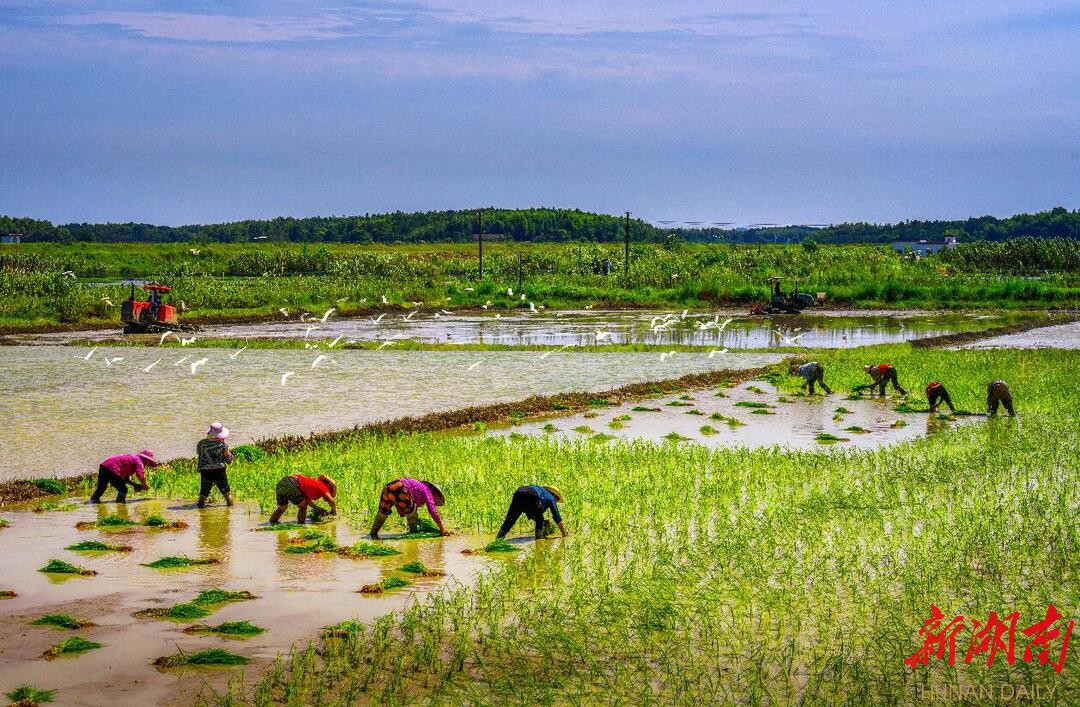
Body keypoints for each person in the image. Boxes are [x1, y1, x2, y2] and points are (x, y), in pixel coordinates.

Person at [369, 478, 450, 538]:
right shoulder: (428, 491)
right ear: (434, 491)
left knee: (382, 513)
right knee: (412, 515)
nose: (436, 499)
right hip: (401, 488)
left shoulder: (420, 487)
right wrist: (442, 528)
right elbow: (432, 510)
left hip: (388, 488)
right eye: (437, 497)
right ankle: (413, 534)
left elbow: (400, 501)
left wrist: (400, 508)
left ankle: (373, 534)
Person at [496, 485, 569, 540]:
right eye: (556, 499)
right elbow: (557, 517)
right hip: (533, 495)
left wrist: (545, 523)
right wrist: (564, 533)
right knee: (539, 520)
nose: (555, 501)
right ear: (554, 495)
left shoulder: (541, 491)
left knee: (509, 521)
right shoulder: (551, 497)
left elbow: (531, 511)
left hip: (518, 492)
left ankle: (497, 540)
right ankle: (539, 540)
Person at [90, 449, 158, 503]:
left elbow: (125, 479)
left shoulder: (132, 459)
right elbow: (140, 475)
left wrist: (134, 485)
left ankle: (93, 502)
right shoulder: (139, 461)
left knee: (101, 488)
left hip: (104, 467)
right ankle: (120, 504)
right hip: (112, 469)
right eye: (148, 461)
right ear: (145, 459)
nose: (148, 464)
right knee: (123, 490)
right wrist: (145, 486)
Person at [269, 473, 337, 524]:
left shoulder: (314, 484)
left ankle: (272, 522)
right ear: (329, 487)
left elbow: (306, 500)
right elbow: (332, 501)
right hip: (292, 483)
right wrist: (334, 512)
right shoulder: (323, 487)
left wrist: (317, 508)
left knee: (282, 508)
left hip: (282, 482)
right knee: (303, 506)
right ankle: (301, 525)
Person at [196, 422, 234, 508]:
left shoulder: (201, 443)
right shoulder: (223, 445)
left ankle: (200, 507)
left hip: (205, 472)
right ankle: (230, 509)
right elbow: (228, 459)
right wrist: (231, 457)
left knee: (203, 494)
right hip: (219, 471)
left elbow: (199, 453)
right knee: (227, 494)